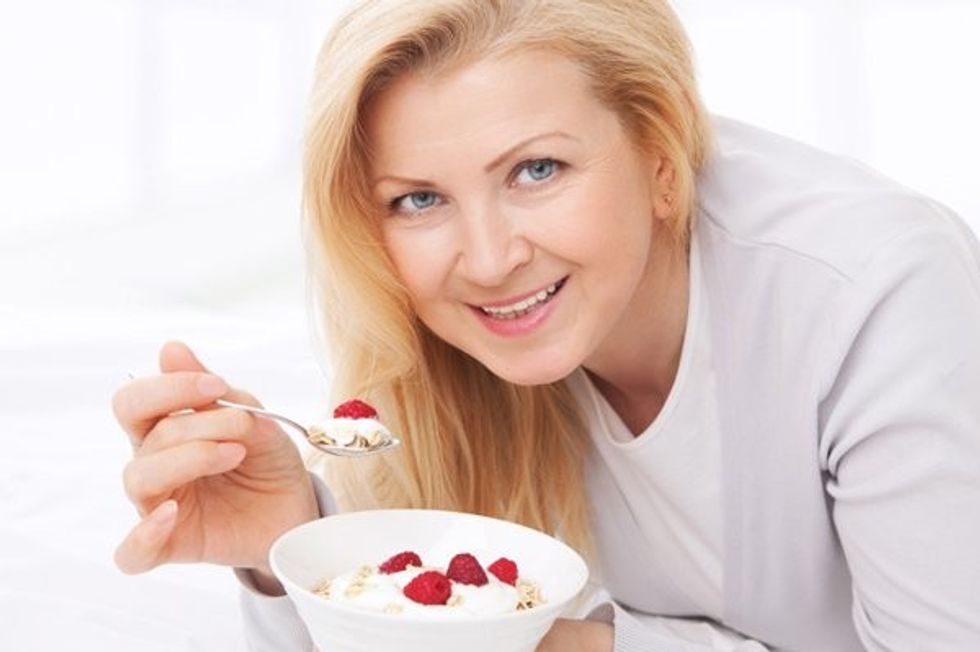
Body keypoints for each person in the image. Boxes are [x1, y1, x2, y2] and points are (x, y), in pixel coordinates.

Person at [110, 0, 980, 650]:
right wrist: (293, 549)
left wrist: (563, 646)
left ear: (661, 159)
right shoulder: (448, 366)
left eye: (537, 170)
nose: (487, 260)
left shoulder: (879, 289)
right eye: (419, 199)